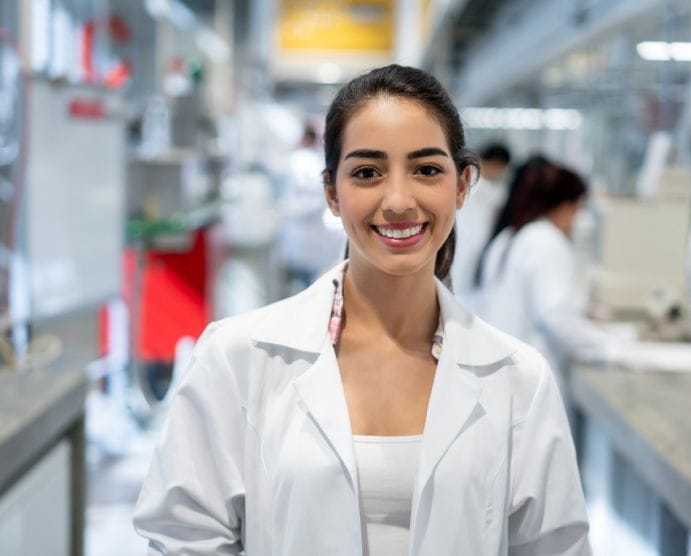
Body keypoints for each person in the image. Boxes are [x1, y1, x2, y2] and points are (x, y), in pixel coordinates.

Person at [133, 65, 591, 555]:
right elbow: (184, 538)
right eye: (368, 172)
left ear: (461, 187)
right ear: (332, 192)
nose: (398, 200)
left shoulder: (518, 380)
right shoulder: (238, 357)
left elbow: (554, 547)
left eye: (427, 170)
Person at [476, 158, 623, 389]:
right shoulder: (546, 240)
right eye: (577, 209)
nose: (577, 220)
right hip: (529, 380)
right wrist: (610, 348)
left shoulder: (509, 237)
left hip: (504, 374)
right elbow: (556, 317)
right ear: (565, 206)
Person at [278, 123, 345, 291]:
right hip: (309, 240)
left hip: (304, 239)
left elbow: (311, 197)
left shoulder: (300, 160)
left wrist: (286, 208)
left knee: (302, 290)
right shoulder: (312, 160)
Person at [450, 142, 511, 297]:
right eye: (499, 168)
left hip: (470, 245)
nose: (500, 173)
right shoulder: (479, 187)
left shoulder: (491, 188)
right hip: (465, 244)